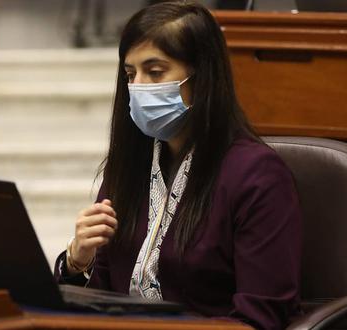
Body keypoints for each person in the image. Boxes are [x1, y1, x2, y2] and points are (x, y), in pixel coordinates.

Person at [54, 2, 302, 329]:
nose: (138, 87)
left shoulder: (257, 176)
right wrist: (76, 261)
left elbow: (260, 317)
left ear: (202, 76)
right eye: (131, 75)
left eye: (155, 72)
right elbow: (100, 299)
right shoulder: (128, 168)